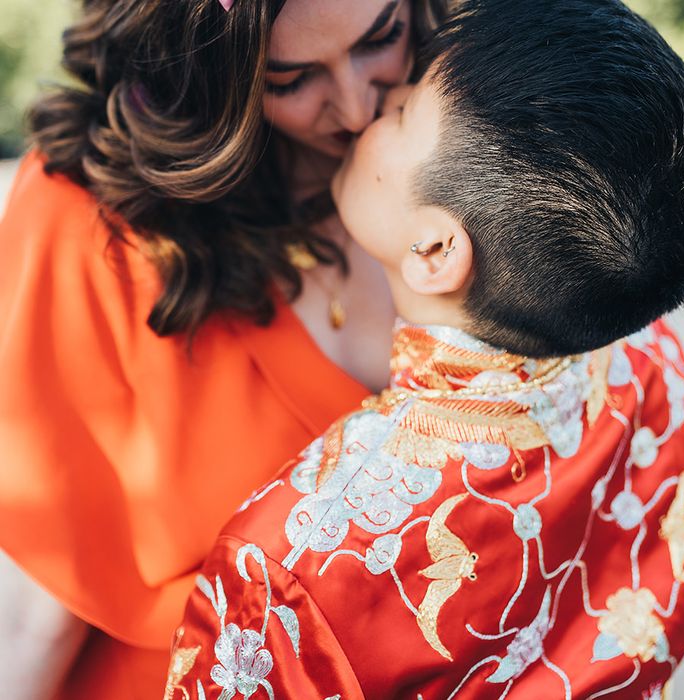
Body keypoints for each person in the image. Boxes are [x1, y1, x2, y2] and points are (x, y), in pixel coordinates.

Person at [167, 0, 684, 697]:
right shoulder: (674, 392)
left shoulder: (291, 562)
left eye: (405, 111)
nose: (367, 112)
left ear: (436, 248)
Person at [0, 0, 450, 698]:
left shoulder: (474, 149)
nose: (358, 108)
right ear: (207, 72)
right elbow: (36, 613)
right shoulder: (86, 221)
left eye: (382, 36)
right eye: (290, 79)